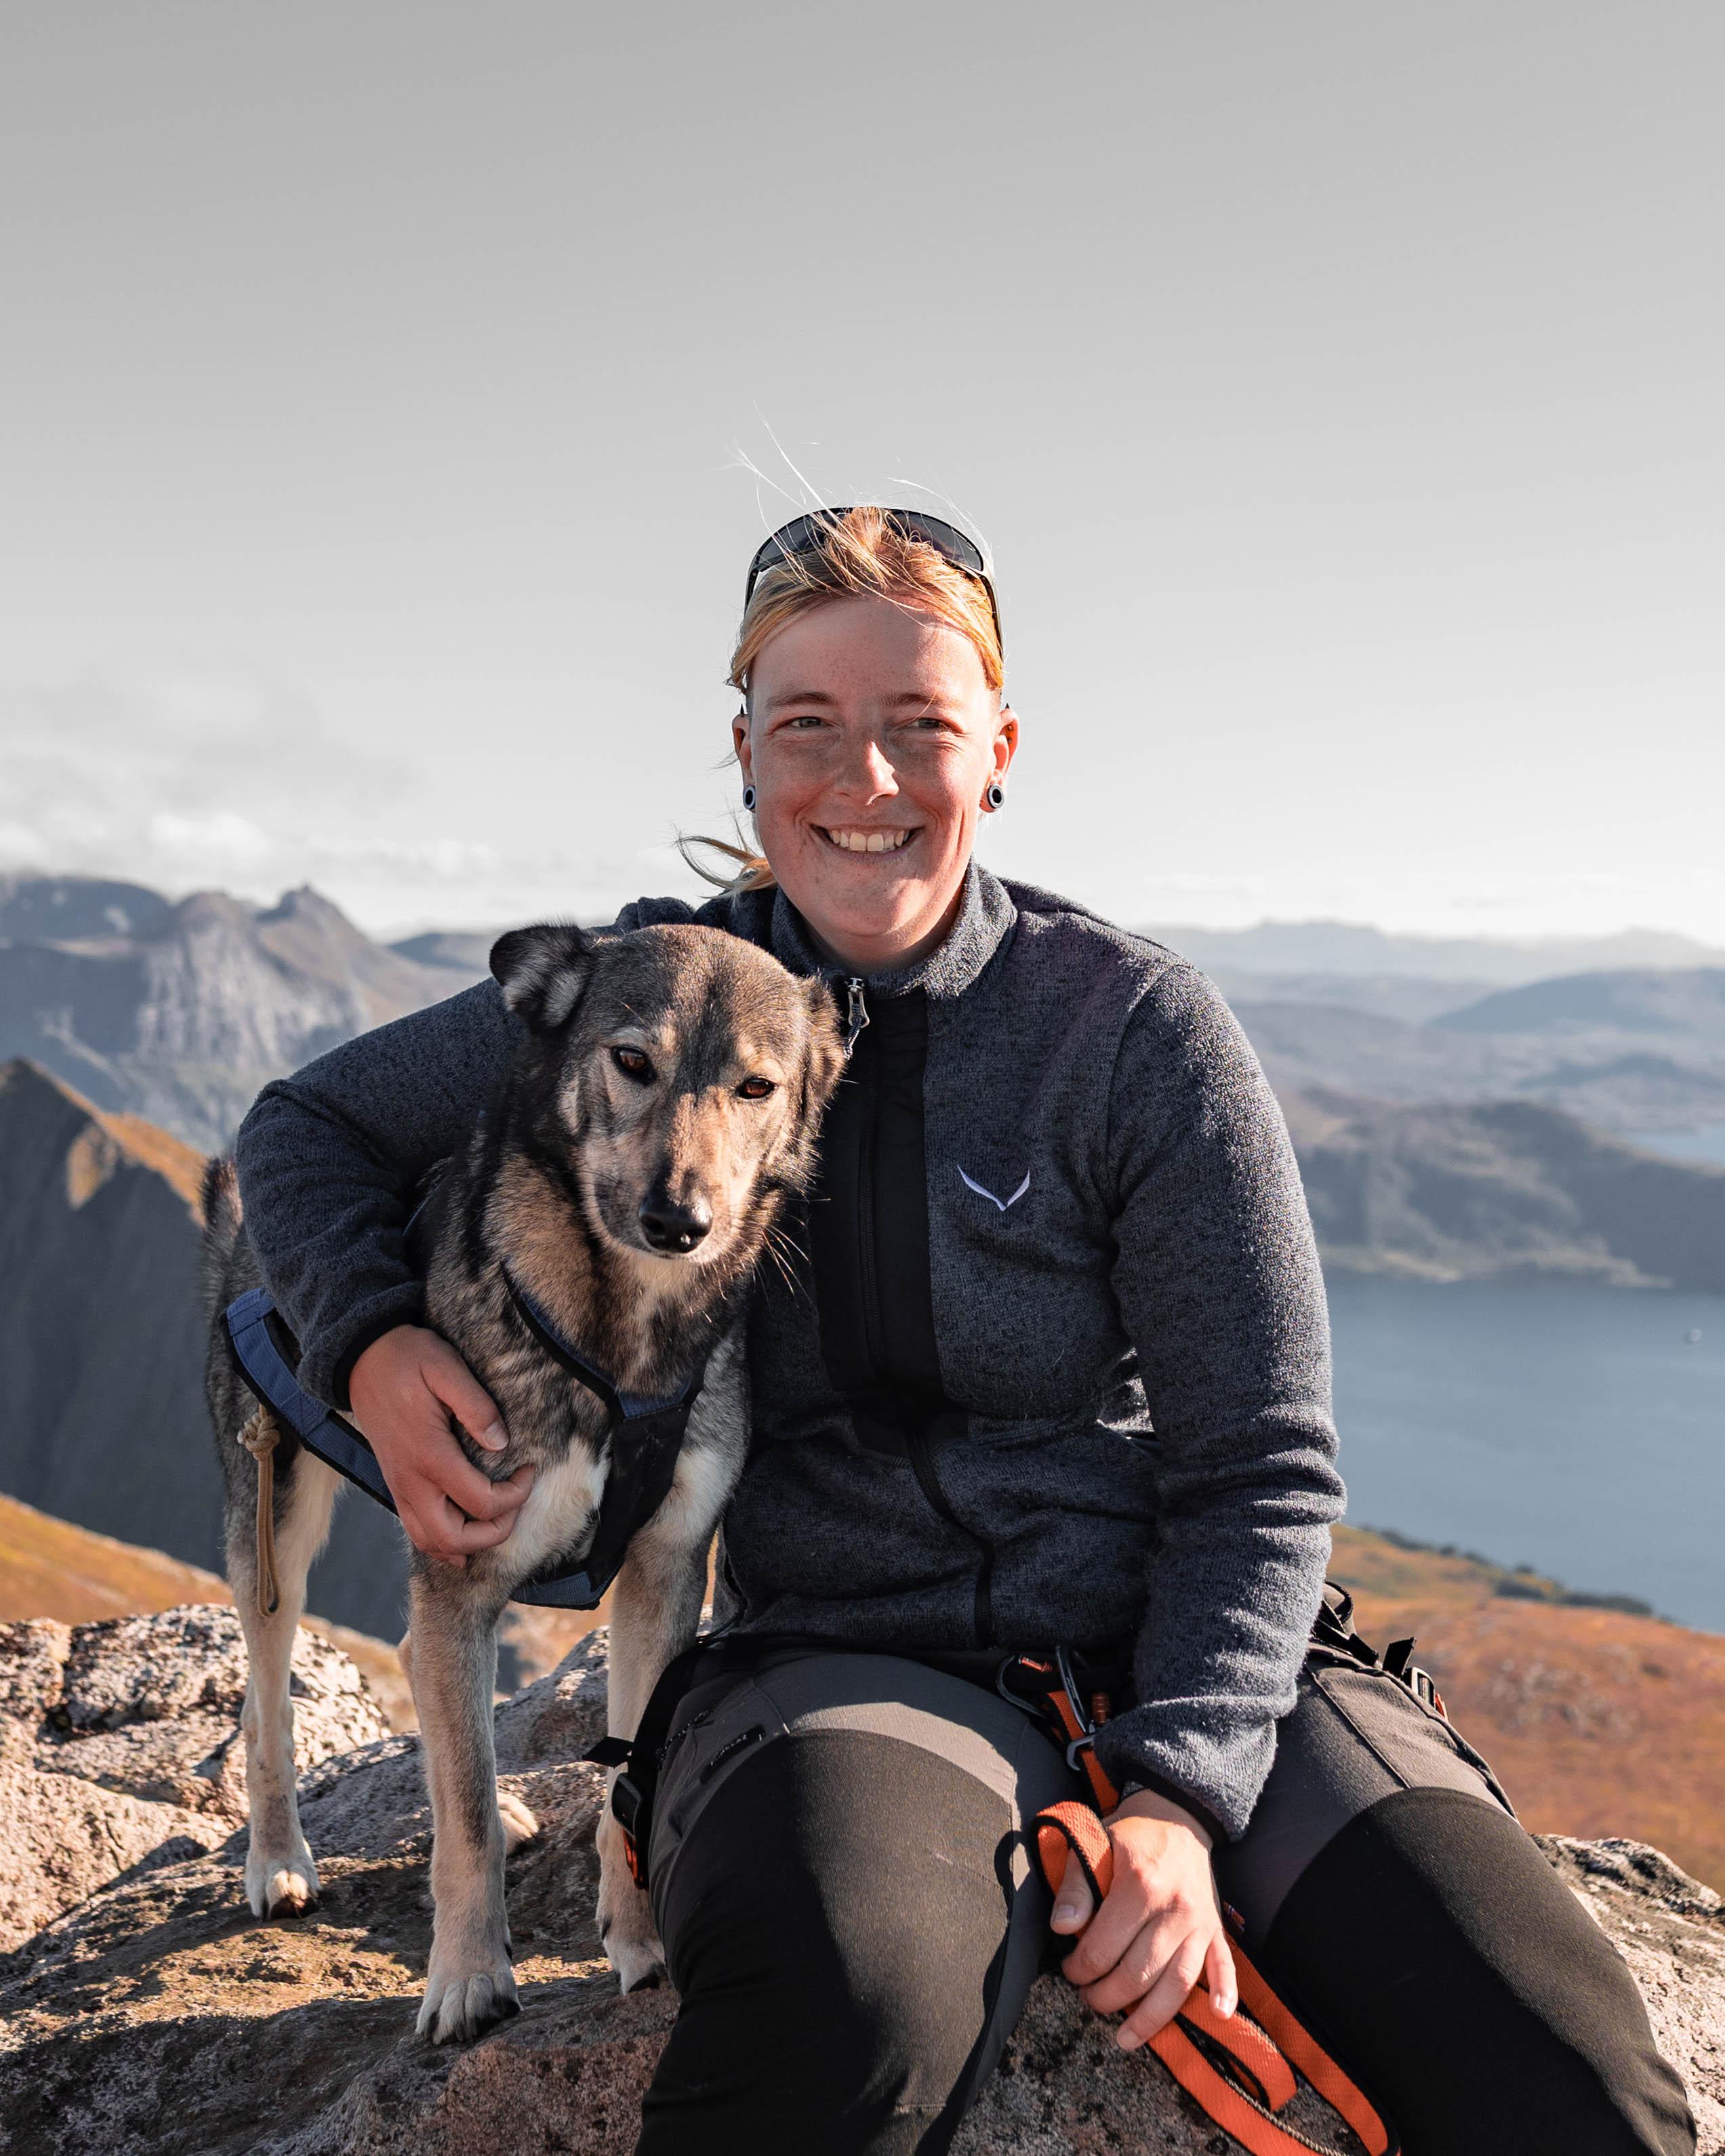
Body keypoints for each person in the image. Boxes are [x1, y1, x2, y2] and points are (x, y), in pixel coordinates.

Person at [235, 507, 1694, 2156]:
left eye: (920, 727)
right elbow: (300, 1131)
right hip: (845, 1669)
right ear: (742, 755)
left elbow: (1262, 1464)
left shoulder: (1134, 1033)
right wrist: (368, 1339)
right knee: (834, 2031)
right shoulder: (655, 984)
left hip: (1196, 1662)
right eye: (808, 727)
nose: (864, 781)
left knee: (1573, 2083)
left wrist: (1175, 1798)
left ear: (996, 753)